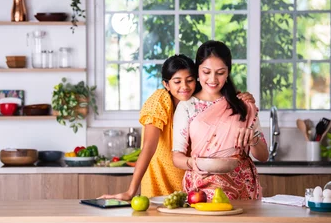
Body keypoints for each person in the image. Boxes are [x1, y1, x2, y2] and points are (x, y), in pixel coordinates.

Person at [98, 54, 255, 201]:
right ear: (166, 84)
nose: (184, 87)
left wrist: (242, 98)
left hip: (191, 185)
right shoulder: (160, 100)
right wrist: (131, 191)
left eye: (190, 80)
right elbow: (148, 147)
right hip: (159, 182)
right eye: (177, 81)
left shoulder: (201, 102)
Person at [172, 40, 269, 201]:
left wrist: (253, 139)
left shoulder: (243, 105)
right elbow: (177, 157)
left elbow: (263, 156)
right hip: (201, 189)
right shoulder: (187, 106)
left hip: (242, 188)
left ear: (228, 72)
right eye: (206, 72)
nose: (213, 79)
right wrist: (195, 164)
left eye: (220, 72)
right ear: (197, 71)